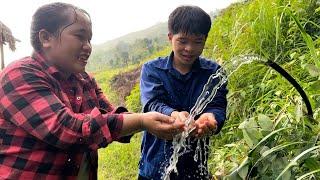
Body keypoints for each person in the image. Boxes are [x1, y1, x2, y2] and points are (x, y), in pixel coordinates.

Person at [0, 2, 186, 180]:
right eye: (80, 36)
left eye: (89, 39)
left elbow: (112, 117)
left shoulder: (83, 79)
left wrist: (167, 120)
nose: (88, 46)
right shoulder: (19, 75)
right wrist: (142, 121)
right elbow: (66, 128)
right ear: (46, 38)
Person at [138, 5, 228, 180]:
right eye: (183, 41)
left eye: (197, 41)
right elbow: (152, 103)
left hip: (195, 167)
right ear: (170, 37)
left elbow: (217, 105)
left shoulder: (214, 72)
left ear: (205, 40)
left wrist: (211, 118)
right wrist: (173, 114)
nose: (189, 48)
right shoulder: (152, 70)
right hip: (155, 166)